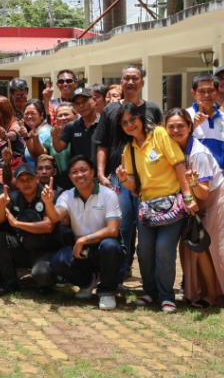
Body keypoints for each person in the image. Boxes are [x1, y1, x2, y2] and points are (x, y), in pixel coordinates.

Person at [165, 109, 224, 309]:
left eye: (181, 126)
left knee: (222, 248)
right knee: (197, 248)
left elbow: (203, 192)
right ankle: (205, 294)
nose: (176, 130)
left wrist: (193, 184)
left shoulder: (198, 154)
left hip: (219, 197)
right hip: (199, 203)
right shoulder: (171, 148)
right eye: (171, 126)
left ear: (189, 127)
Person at [115, 102, 195, 313]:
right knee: (144, 250)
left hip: (172, 205)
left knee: (164, 249)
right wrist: (124, 179)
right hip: (147, 207)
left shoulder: (159, 134)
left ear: (141, 118)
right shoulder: (129, 148)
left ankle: (167, 296)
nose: (130, 125)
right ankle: (151, 292)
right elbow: (133, 185)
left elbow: (179, 165)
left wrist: (187, 196)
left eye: (133, 119)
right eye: (125, 123)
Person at [93, 64, 165, 283]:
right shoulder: (110, 110)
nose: (130, 82)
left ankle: (150, 280)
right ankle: (120, 273)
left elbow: (161, 144)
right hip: (118, 180)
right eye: (126, 78)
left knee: (147, 230)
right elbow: (102, 144)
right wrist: (101, 174)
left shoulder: (153, 110)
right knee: (122, 228)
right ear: (121, 82)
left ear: (142, 82)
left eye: (135, 78)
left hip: (149, 181)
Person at [49, 156, 122, 310]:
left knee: (111, 246)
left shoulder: (108, 194)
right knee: (57, 261)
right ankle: (87, 283)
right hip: (81, 252)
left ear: (92, 172)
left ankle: (107, 292)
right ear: (70, 177)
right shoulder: (67, 195)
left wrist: (83, 240)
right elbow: (55, 216)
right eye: (74, 172)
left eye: (84, 170)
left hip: (103, 248)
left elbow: (113, 230)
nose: (79, 175)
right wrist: (48, 203)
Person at [0, 163, 61, 295]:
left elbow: (48, 226)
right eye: (22, 180)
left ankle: (48, 283)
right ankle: (10, 281)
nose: (26, 183)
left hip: (45, 249)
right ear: (17, 183)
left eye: (29, 179)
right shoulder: (14, 196)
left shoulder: (49, 196)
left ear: (37, 179)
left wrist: (17, 223)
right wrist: (1, 205)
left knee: (42, 274)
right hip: (23, 248)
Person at [50, 88, 99, 191]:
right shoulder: (71, 127)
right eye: (77, 103)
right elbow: (59, 148)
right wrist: (56, 137)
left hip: (101, 178)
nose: (81, 105)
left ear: (94, 100)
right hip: (80, 179)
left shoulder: (104, 123)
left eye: (84, 101)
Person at [187, 72, 224, 168]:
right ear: (194, 93)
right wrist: (193, 127)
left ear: (218, 92)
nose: (206, 95)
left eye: (211, 90)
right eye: (201, 91)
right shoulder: (187, 115)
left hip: (220, 177)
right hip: (196, 177)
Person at [19, 99, 51, 165]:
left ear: (42, 115)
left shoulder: (46, 132)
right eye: (27, 113)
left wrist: (27, 137)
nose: (29, 116)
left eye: (33, 113)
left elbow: (40, 156)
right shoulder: (32, 131)